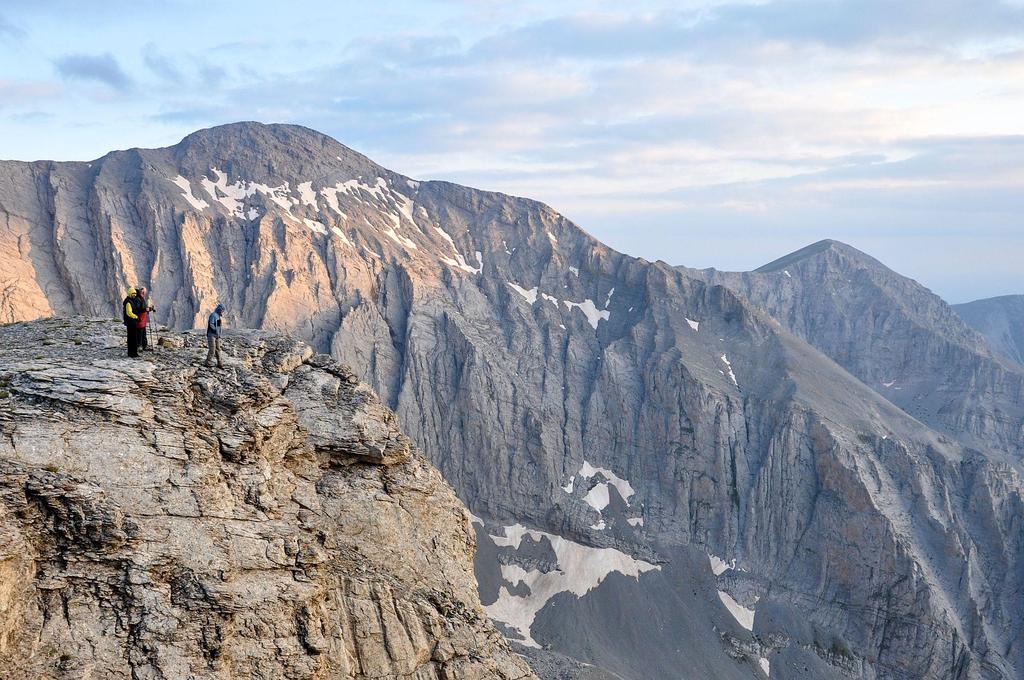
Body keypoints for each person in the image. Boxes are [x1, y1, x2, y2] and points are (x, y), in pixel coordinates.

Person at [122, 287, 142, 358]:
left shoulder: (130, 301)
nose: (134, 295)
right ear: (130, 293)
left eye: (135, 294)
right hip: (131, 322)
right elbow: (129, 313)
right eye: (133, 294)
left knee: (132, 338)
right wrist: (136, 317)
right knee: (132, 338)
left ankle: (132, 353)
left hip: (131, 322)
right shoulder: (128, 302)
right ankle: (133, 353)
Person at [205, 303, 225, 368]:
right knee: (212, 350)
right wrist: (216, 331)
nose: (222, 311)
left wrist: (219, 333)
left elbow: (218, 326)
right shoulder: (213, 315)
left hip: (217, 336)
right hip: (211, 335)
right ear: (219, 309)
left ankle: (220, 363)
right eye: (222, 310)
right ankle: (208, 362)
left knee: (218, 349)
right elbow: (211, 324)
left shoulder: (218, 316)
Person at [137, 287, 155, 351]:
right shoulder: (138, 299)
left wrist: (150, 309)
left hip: (143, 320)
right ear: (140, 292)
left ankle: (144, 346)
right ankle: (139, 346)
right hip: (140, 319)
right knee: (140, 333)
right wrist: (146, 309)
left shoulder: (142, 299)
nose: (143, 293)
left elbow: (144, 308)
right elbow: (138, 309)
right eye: (142, 292)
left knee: (143, 333)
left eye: (144, 292)